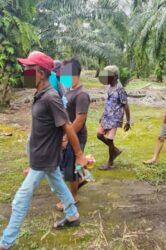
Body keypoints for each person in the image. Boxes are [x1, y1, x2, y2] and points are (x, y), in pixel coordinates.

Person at [0, 52, 87, 250]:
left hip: (44, 158)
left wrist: (79, 155)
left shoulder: (50, 97)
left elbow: (67, 126)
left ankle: (5, 243)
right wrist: (32, 162)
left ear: (40, 73)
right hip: (43, 157)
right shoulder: (40, 94)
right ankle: (72, 215)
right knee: (57, 183)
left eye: (28, 69)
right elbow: (46, 130)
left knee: (19, 200)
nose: (24, 73)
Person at [56, 58, 90, 211]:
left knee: (72, 169)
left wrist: (66, 137)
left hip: (75, 136)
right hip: (69, 135)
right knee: (68, 166)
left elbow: (79, 121)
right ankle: (84, 177)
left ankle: (73, 198)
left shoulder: (82, 94)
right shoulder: (71, 91)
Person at [97, 65, 131, 170]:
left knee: (110, 139)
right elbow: (108, 103)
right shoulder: (109, 87)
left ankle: (110, 162)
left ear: (115, 76)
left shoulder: (120, 89)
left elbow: (125, 105)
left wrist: (128, 121)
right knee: (99, 135)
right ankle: (115, 150)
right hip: (107, 116)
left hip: (115, 117)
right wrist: (102, 115)